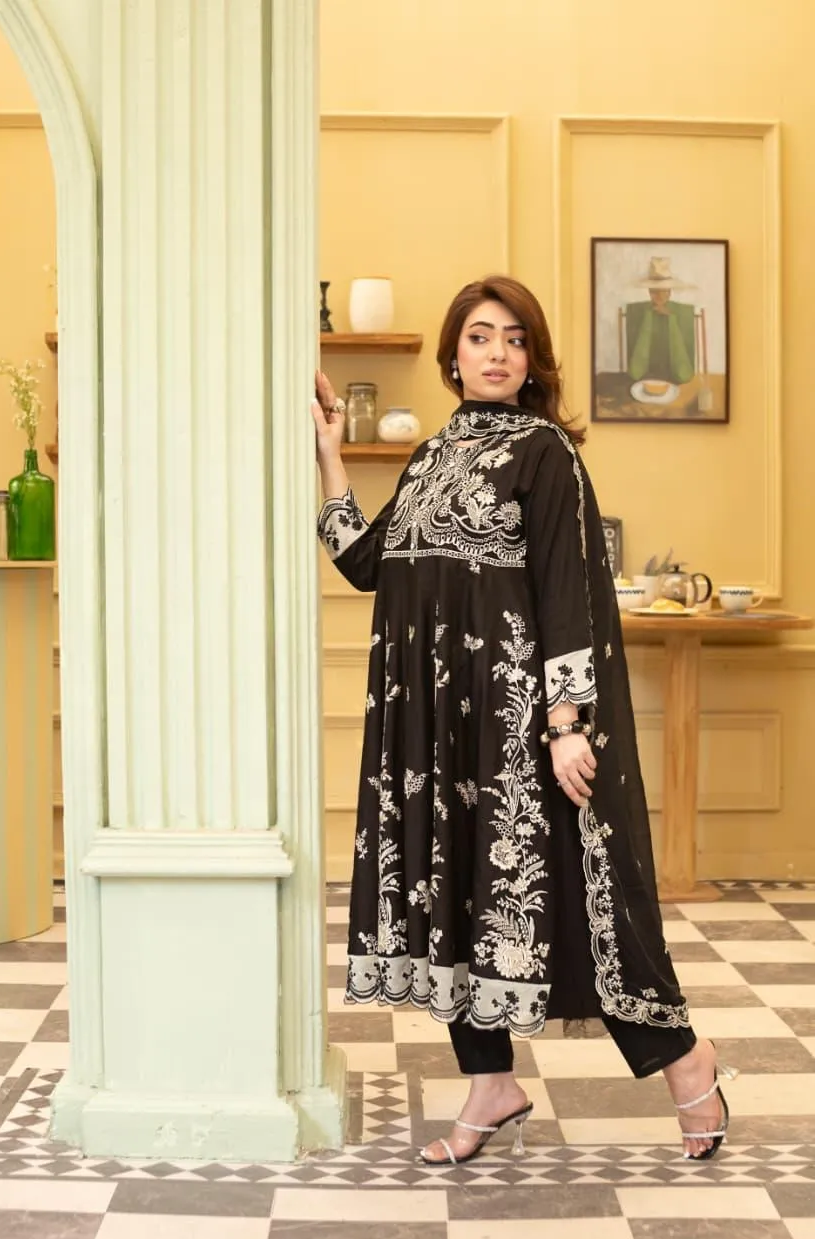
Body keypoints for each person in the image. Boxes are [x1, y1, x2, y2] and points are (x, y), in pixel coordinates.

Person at [314, 275, 735, 1167]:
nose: (496, 352)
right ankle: (490, 1084)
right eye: (479, 336)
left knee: (574, 901)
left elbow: (566, 589)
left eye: (512, 338)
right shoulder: (430, 456)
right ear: (452, 356)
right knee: (456, 897)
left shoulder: (544, 455)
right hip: (433, 732)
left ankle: (683, 1060)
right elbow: (366, 564)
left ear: (532, 359)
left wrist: (566, 722)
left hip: (514, 729)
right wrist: (329, 457)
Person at [626, 256, 696, 385]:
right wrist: (648, 318)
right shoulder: (641, 312)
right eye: (654, 292)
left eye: (664, 291)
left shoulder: (680, 313)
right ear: (649, 292)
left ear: (669, 292)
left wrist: (671, 318)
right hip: (645, 380)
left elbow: (683, 373)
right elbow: (636, 371)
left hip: (674, 380)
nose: (659, 296)